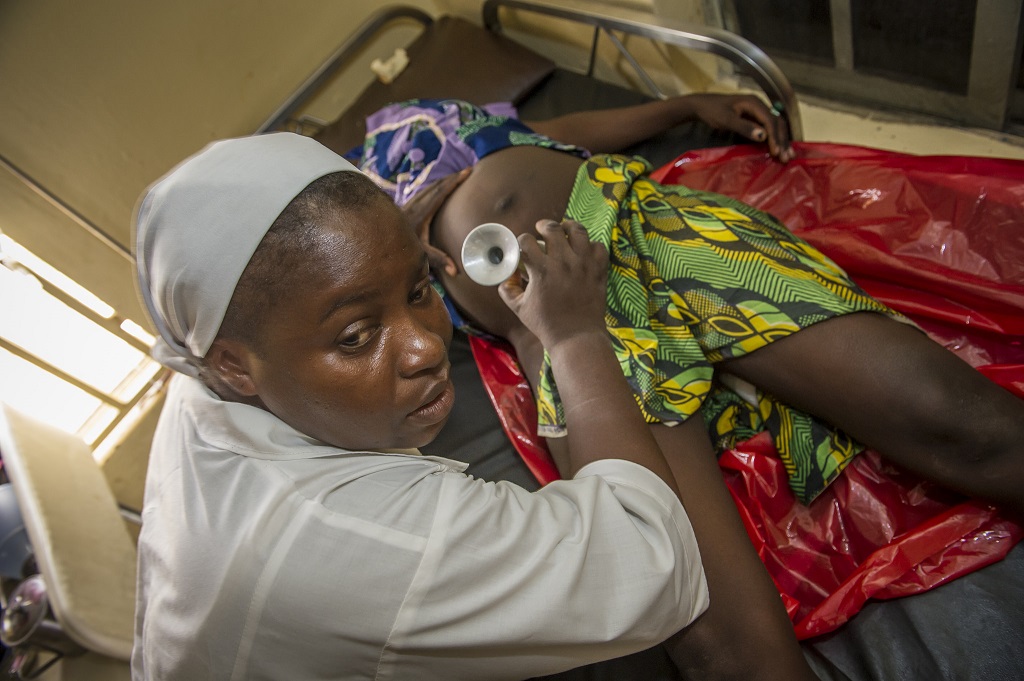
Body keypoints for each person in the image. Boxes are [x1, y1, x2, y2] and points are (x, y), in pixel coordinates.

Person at [338, 94, 1024, 680]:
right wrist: (395, 242)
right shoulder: (353, 219)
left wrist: (686, 107)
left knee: (956, 422)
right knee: (729, 648)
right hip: (555, 331)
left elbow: (568, 130)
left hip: (655, 231)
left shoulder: (463, 115)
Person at [130, 132, 712, 680]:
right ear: (234, 365)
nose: (427, 347)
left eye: (418, 289)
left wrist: (371, 259)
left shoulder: (204, 358)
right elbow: (652, 562)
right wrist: (575, 336)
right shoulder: (359, 543)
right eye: (356, 336)